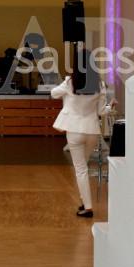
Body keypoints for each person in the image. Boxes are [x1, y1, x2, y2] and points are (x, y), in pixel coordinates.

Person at [50, 61, 109, 218]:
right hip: (91, 130)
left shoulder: (70, 82)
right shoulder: (100, 84)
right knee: (84, 166)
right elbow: (102, 111)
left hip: (74, 130)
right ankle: (85, 202)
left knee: (81, 169)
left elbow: (53, 93)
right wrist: (111, 107)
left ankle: (88, 207)